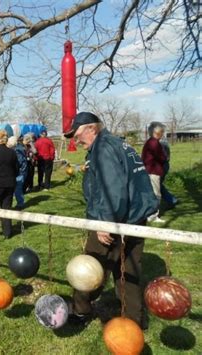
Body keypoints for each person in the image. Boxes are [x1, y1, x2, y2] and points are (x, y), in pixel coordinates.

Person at [64, 112, 159, 329]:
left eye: (77, 134)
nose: (75, 140)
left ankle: (80, 311)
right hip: (135, 218)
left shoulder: (104, 148)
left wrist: (104, 222)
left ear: (91, 128)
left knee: (90, 265)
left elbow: (113, 189)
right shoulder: (118, 144)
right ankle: (134, 319)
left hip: (114, 220)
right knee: (129, 270)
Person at [142, 122, 168, 223]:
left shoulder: (150, 142)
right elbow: (160, 157)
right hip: (153, 171)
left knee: (150, 193)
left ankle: (149, 214)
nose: (162, 134)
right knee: (156, 194)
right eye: (162, 132)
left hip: (149, 170)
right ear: (157, 132)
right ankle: (153, 215)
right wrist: (165, 158)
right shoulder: (154, 143)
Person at [7, 136, 28, 210]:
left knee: (18, 188)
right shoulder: (19, 148)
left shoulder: (17, 151)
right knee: (16, 188)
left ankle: (20, 204)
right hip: (21, 171)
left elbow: (18, 162)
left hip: (20, 172)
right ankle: (19, 202)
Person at [159, 135, 178, 207]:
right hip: (164, 165)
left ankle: (171, 200)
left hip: (161, 166)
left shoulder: (161, 144)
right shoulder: (164, 142)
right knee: (158, 185)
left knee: (156, 185)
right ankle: (172, 200)